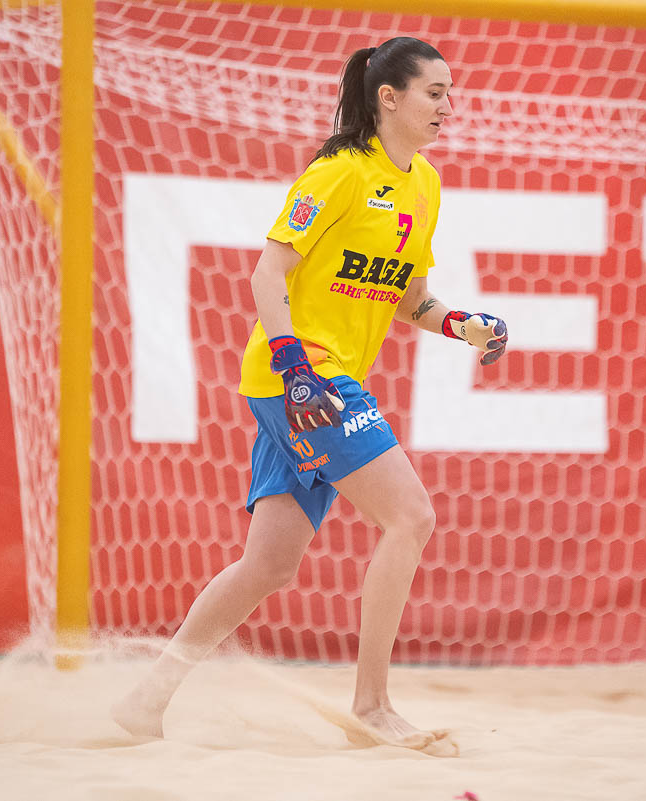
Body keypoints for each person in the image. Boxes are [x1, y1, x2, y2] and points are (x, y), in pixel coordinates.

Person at [112, 37, 507, 750]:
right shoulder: (337, 174)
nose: (449, 106)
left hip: (311, 383)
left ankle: (145, 699)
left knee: (269, 565)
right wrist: (296, 369)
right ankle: (372, 707)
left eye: (450, 92)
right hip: (303, 376)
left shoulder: (425, 184)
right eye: (436, 92)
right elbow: (267, 275)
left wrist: (462, 325)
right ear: (389, 98)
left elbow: (410, 300)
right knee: (411, 516)